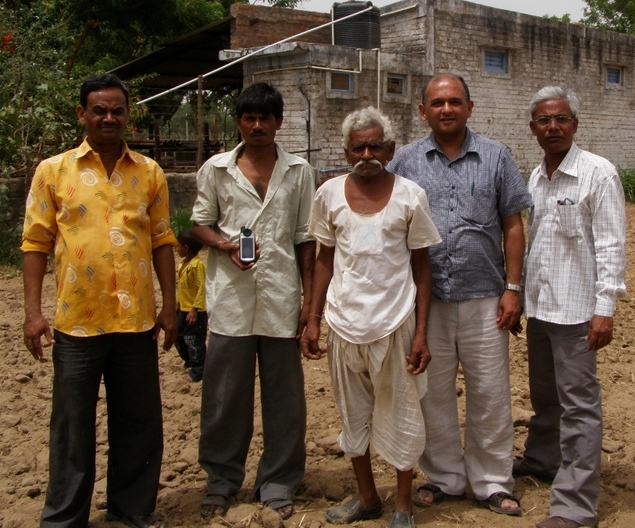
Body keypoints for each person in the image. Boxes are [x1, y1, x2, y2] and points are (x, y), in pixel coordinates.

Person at [22, 73, 177, 528]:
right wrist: (33, 314)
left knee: (139, 422)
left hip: (135, 322)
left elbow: (162, 240)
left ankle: (131, 508)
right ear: (82, 114)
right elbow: (35, 243)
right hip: (76, 324)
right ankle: (65, 516)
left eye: (117, 110)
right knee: (72, 426)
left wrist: (169, 306)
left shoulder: (150, 172)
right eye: (99, 110)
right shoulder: (53, 171)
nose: (109, 118)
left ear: (128, 115)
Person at [387, 73, 532, 516]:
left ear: (470, 107)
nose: (446, 109)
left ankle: (492, 480)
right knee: (433, 392)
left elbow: (512, 224)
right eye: (437, 102)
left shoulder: (495, 156)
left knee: (489, 391)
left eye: (454, 101)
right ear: (422, 111)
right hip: (427, 301)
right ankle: (446, 477)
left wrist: (513, 288)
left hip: (486, 297)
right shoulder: (406, 161)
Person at [300, 107, 441, 528]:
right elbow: (324, 259)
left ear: (391, 149)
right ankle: (366, 498)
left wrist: (421, 332)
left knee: (402, 411)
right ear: (346, 152)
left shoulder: (410, 195)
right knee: (352, 413)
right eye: (358, 146)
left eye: (375, 145)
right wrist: (312, 318)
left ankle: (402, 504)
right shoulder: (328, 194)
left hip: (395, 321)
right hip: (344, 324)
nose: (367, 153)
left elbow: (423, 267)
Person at [191, 82, 315, 521]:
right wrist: (224, 245)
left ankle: (278, 480)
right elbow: (199, 224)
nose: (257, 125)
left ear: (279, 122)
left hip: (282, 298)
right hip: (231, 301)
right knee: (225, 398)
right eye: (249, 117)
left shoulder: (299, 171)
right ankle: (221, 480)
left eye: (266, 118)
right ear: (239, 121)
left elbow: (305, 238)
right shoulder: (216, 169)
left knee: (285, 399)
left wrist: (308, 302)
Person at [516, 86, 627, 528]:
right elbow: (534, 241)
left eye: (561, 119)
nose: (553, 127)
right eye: (544, 120)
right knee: (545, 397)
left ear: (575, 125)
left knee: (579, 405)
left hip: (578, 312)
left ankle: (577, 506)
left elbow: (612, 244)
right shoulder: (536, 176)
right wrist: (522, 298)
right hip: (542, 308)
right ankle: (543, 460)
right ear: (533, 129)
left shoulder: (597, 174)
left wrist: (606, 308)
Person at [175, 229, 207, 382]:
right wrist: (178, 302)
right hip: (183, 309)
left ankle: (198, 370)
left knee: (193, 341)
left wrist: (195, 309)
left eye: (178, 246)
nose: (177, 248)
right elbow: (182, 286)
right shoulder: (182, 264)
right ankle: (189, 360)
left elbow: (202, 287)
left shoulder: (197, 265)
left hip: (194, 311)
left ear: (186, 248)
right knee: (178, 336)